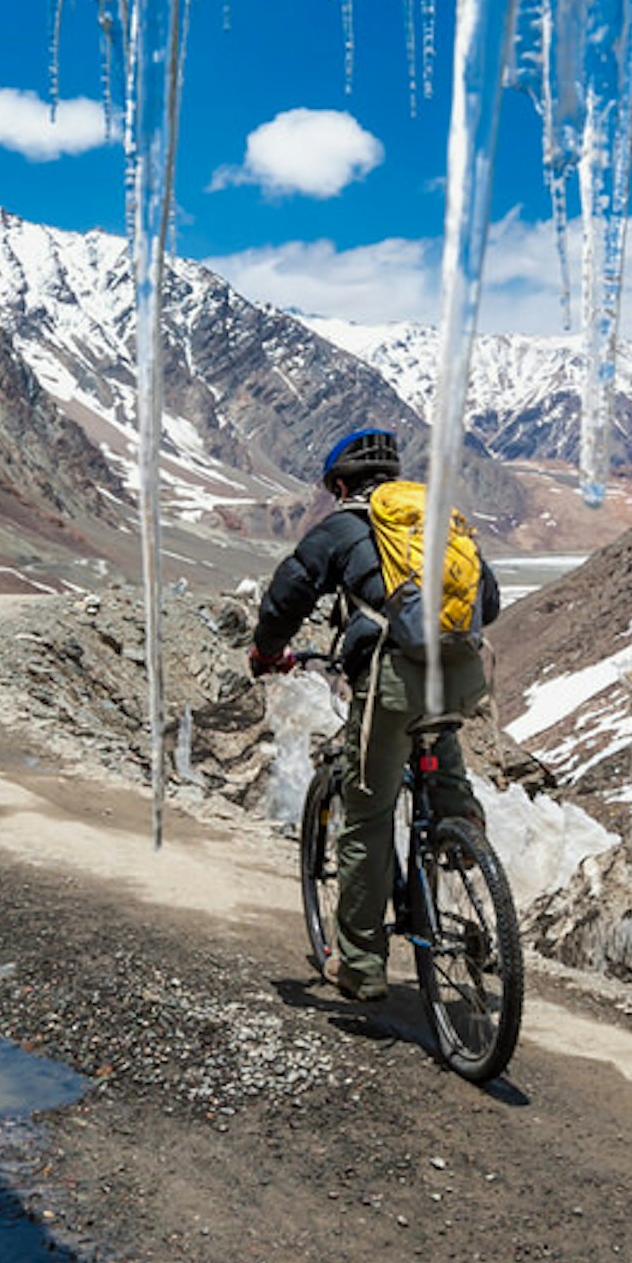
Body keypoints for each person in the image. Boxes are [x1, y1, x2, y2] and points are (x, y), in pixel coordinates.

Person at [247, 425, 501, 1000]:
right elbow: (489, 601)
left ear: (340, 486)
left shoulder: (342, 527)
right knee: (441, 765)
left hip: (392, 685)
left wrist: (266, 652)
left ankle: (360, 965)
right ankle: (467, 853)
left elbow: (290, 590)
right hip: (459, 679)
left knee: (366, 813)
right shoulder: (439, 524)